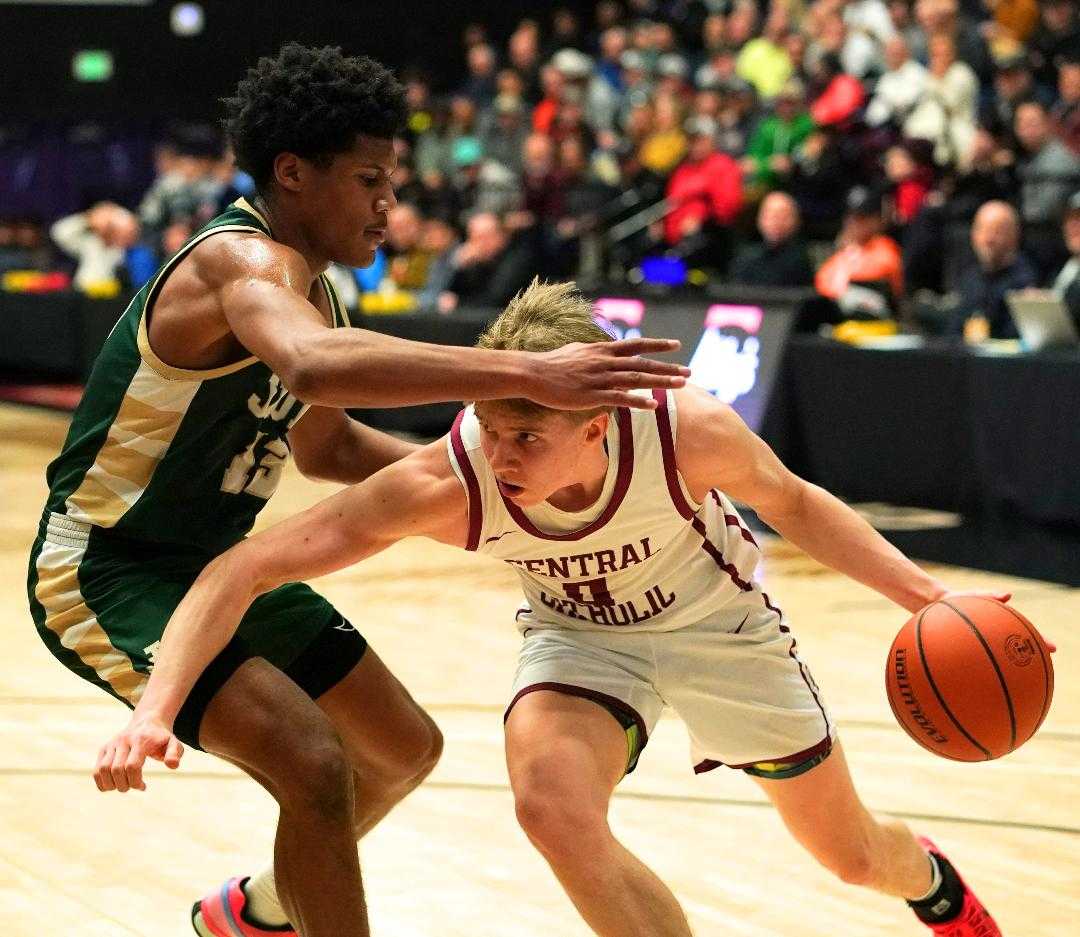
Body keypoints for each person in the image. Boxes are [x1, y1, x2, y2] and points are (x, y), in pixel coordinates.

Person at [101, 279, 1007, 937]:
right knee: (549, 808)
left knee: (847, 854)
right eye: (492, 428)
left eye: (527, 435)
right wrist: (155, 705)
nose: (502, 454)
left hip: (721, 629)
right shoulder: (453, 479)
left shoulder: (681, 430)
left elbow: (799, 502)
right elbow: (245, 566)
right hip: (580, 642)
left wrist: (930, 597)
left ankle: (932, 887)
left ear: (598, 419)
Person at [28, 45, 689, 937]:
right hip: (106, 567)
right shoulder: (239, 265)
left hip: (212, 565)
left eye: (394, 180)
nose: (389, 204)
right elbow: (313, 369)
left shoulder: (315, 297)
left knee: (402, 747)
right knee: (312, 762)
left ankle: (255, 913)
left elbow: (331, 445)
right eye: (369, 179)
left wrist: (483, 482)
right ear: (293, 174)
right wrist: (528, 369)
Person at [949, 199, 1037, 339]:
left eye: (997, 231)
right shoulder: (969, 279)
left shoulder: (1025, 283)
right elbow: (953, 330)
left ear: (1014, 236)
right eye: (982, 229)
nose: (988, 239)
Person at [815, 186, 905, 316]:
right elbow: (822, 281)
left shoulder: (885, 248)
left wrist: (849, 256)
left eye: (861, 218)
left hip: (881, 325)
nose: (853, 223)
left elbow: (871, 274)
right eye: (850, 217)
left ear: (877, 220)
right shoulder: (847, 252)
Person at [729, 190, 815, 287]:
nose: (776, 221)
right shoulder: (745, 258)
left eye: (783, 216)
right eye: (771, 215)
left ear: (796, 221)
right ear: (760, 219)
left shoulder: (803, 261)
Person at [50, 201, 140, 290]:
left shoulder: (131, 253)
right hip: (84, 295)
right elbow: (58, 232)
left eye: (113, 228)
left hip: (118, 299)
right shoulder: (90, 243)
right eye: (108, 227)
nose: (108, 231)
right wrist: (88, 219)